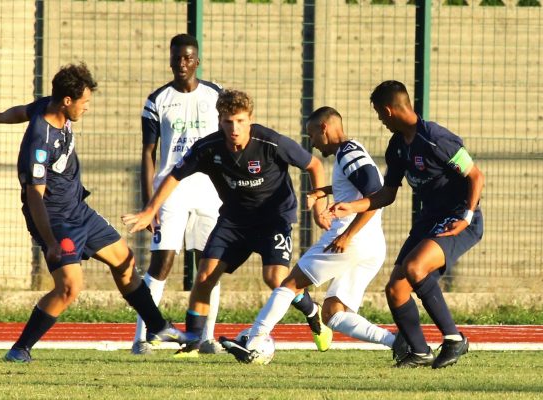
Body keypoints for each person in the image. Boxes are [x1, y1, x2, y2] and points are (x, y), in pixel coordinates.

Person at [0, 63, 191, 363]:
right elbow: (34, 197)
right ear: (67, 101)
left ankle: (157, 327)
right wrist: (50, 241)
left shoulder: (46, 107)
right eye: (84, 102)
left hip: (78, 210)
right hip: (54, 220)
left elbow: (22, 110)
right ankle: (19, 349)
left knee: (124, 259)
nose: (86, 108)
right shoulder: (40, 142)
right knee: (69, 287)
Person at [122, 89, 334, 355]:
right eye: (227, 121)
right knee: (205, 276)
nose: (234, 128)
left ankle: (313, 313)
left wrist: (320, 204)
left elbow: (314, 165)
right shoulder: (208, 148)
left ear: (250, 119)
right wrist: (149, 210)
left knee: (275, 278)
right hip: (234, 221)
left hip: (273, 219)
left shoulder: (270, 142)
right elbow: (174, 176)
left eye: (241, 121)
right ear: (219, 120)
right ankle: (194, 342)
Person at [219, 106, 408, 363]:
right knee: (333, 313)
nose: (313, 143)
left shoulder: (347, 153)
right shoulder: (351, 151)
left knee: (289, 283)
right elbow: (359, 187)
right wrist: (325, 191)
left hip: (349, 240)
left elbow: (375, 196)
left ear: (324, 128)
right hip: (371, 244)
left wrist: (347, 236)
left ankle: (255, 340)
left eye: (312, 135)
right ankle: (399, 342)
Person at [327, 80, 484, 368]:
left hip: (458, 217)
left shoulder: (436, 138)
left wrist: (467, 217)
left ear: (389, 110)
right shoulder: (397, 147)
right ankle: (420, 351)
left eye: (378, 113)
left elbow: (476, 176)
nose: (379, 120)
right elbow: (387, 194)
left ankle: (454, 339)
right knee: (395, 288)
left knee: (414, 268)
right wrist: (352, 205)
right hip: (429, 219)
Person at [131, 33, 223, 356]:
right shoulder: (157, 100)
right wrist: (149, 202)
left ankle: (207, 337)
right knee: (162, 262)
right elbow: (148, 153)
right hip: (171, 191)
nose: (181, 63)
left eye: (187, 58)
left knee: (209, 265)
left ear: (197, 60)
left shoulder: (216, 95)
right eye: (176, 58)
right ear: (170, 60)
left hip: (211, 192)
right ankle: (143, 338)